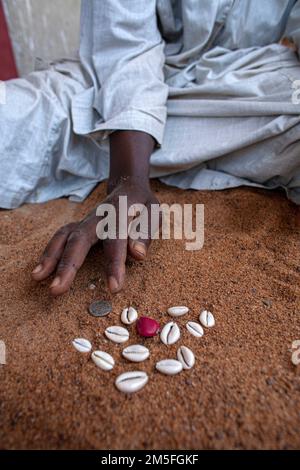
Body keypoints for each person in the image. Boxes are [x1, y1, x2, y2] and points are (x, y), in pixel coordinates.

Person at [1, 0, 299, 296]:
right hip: (109, 86)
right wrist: (128, 179)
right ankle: (145, 152)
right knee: (12, 117)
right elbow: (126, 49)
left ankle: (144, 152)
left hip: (249, 87)